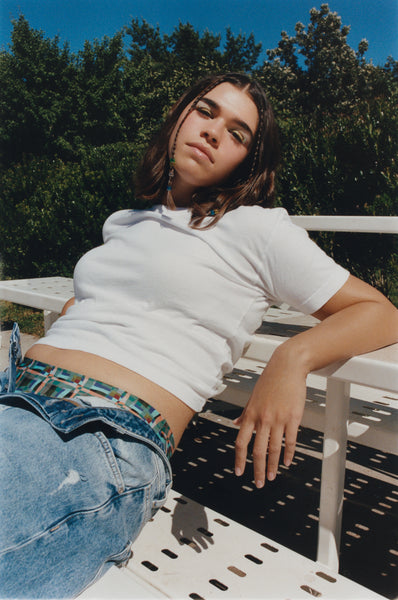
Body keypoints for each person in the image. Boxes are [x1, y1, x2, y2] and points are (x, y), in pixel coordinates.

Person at [0, 72, 397, 598]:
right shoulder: (127, 220)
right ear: (179, 116)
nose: (214, 132)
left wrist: (293, 357)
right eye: (206, 112)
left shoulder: (255, 228)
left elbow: (380, 312)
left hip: (99, 431)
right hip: (16, 392)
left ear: (247, 162)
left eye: (237, 133)